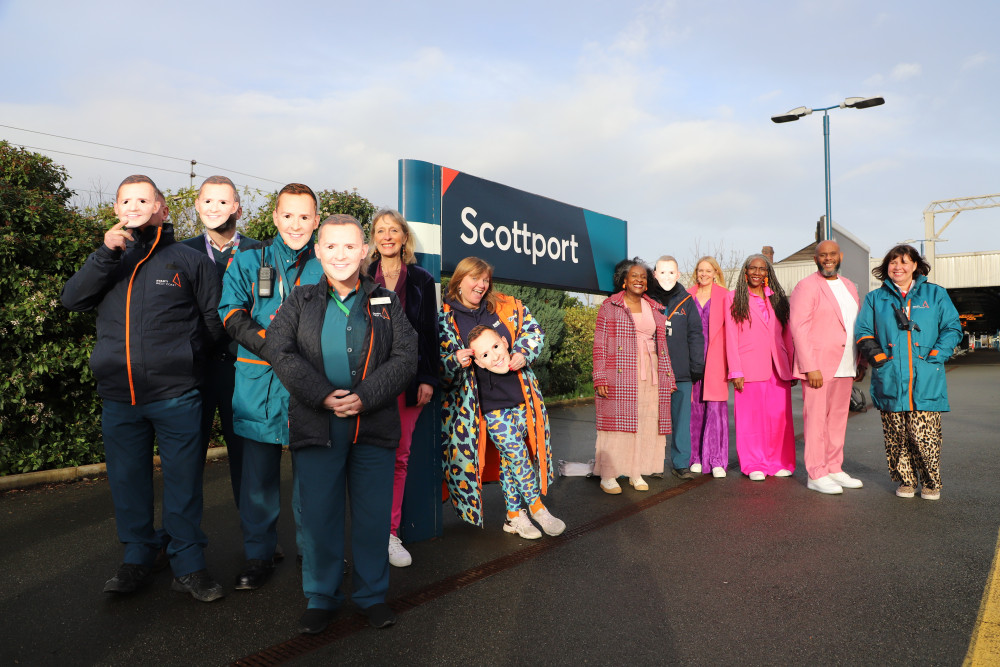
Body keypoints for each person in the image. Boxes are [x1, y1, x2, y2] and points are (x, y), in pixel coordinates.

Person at [61, 175, 226, 602]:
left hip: (176, 396)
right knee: (128, 482)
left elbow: (213, 322)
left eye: (143, 199)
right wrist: (105, 253)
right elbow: (72, 300)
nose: (134, 205)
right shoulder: (108, 260)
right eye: (126, 200)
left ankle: (189, 565)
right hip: (119, 397)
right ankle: (137, 558)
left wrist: (185, 359)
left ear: (161, 208)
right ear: (117, 209)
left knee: (184, 484)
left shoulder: (189, 260)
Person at [266, 214, 416, 634]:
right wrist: (321, 394)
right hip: (317, 425)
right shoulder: (300, 301)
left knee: (371, 518)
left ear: (364, 251)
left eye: (350, 246)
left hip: (373, 426)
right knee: (319, 516)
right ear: (317, 251)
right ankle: (321, 596)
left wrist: (365, 397)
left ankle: (371, 596)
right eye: (331, 246)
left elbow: (406, 357)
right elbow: (279, 350)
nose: (340, 255)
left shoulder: (386, 301)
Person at [218, 183, 324, 591]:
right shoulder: (249, 260)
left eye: (304, 217)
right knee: (258, 482)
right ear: (276, 217)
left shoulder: (326, 261)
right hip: (258, 383)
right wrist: (272, 347)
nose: (296, 224)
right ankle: (258, 557)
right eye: (288, 215)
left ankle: (314, 554)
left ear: (316, 221)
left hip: (310, 386)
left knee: (312, 480)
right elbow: (230, 312)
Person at [439, 257, 564, 539]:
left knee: (512, 461)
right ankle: (537, 507)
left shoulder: (506, 305)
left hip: (522, 398)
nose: (482, 285)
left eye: (485, 280)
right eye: (475, 279)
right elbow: (439, 367)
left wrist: (523, 352)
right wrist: (453, 361)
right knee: (517, 454)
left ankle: (513, 516)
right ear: (459, 281)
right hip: (486, 409)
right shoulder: (445, 319)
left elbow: (534, 332)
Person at [855, 244, 962, 500]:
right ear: (886, 268)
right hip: (890, 376)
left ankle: (931, 482)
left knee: (924, 435)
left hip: (925, 377)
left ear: (915, 265)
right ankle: (906, 479)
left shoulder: (935, 294)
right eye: (893, 262)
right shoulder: (875, 298)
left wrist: (936, 355)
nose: (898, 267)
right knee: (897, 435)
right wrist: (880, 358)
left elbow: (952, 328)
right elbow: (863, 332)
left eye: (904, 262)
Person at [365, 208, 437, 568]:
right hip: (367, 382)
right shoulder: (361, 276)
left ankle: (390, 534)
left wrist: (427, 378)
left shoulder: (421, 280)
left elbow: (428, 333)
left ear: (404, 237)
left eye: (394, 230)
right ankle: (367, 530)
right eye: (381, 230)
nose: (388, 236)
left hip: (409, 382)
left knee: (399, 458)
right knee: (365, 457)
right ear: (373, 238)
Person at [181, 176, 258, 506]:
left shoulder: (259, 251)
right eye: (208, 201)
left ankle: (257, 539)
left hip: (242, 367)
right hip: (193, 368)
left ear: (237, 209)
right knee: (186, 458)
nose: (215, 208)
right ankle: (181, 537)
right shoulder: (181, 251)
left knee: (247, 456)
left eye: (223, 202)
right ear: (197, 206)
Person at [593, 258, 677, 494]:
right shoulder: (609, 307)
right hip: (619, 372)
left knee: (644, 422)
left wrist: (668, 377)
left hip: (650, 372)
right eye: (634, 276)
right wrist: (599, 377)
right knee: (616, 425)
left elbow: (663, 347)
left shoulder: (655, 309)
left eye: (643, 277)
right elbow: (599, 345)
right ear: (624, 281)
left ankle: (635, 471)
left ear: (647, 283)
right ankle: (608, 475)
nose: (639, 280)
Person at [788, 240, 866, 494]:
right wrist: (810, 366)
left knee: (838, 421)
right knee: (816, 421)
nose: (828, 259)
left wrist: (860, 361)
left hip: (846, 364)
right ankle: (816, 473)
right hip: (819, 368)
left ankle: (834, 467)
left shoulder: (849, 286)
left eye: (832, 254)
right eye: (823, 255)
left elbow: (856, 324)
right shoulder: (806, 286)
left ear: (840, 256)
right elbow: (798, 328)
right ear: (816, 259)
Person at [725, 254, 796, 480]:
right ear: (745, 272)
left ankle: (778, 461)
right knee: (751, 420)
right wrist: (736, 370)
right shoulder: (733, 298)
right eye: (752, 268)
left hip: (779, 367)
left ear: (768, 273)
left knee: (778, 419)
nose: (757, 272)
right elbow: (731, 336)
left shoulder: (777, 299)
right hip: (749, 368)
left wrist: (792, 367)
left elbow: (787, 335)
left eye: (762, 269)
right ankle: (754, 463)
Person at [647, 255, 705, 480]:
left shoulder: (687, 301)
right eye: (662, 272)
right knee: (652, 419)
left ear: (678, 274)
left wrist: (696, 365)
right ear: (655, 274)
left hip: (681, 372)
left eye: (671, 272)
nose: (667, 276)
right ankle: (652, 463)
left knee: (681, 421)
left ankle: (680, 463)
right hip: (653, 372)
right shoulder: (647, 299)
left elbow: (695, 335)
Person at [687, 256, 730, 478]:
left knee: (716, 408)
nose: (703, 274)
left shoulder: (725, 296)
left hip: (716, 358)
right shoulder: (687, 294)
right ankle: (695, 457)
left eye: (707, 270)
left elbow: (732, 332)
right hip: (693, 358)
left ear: (715, 272)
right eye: (700, 270)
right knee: (695, 408)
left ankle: (717, 460)